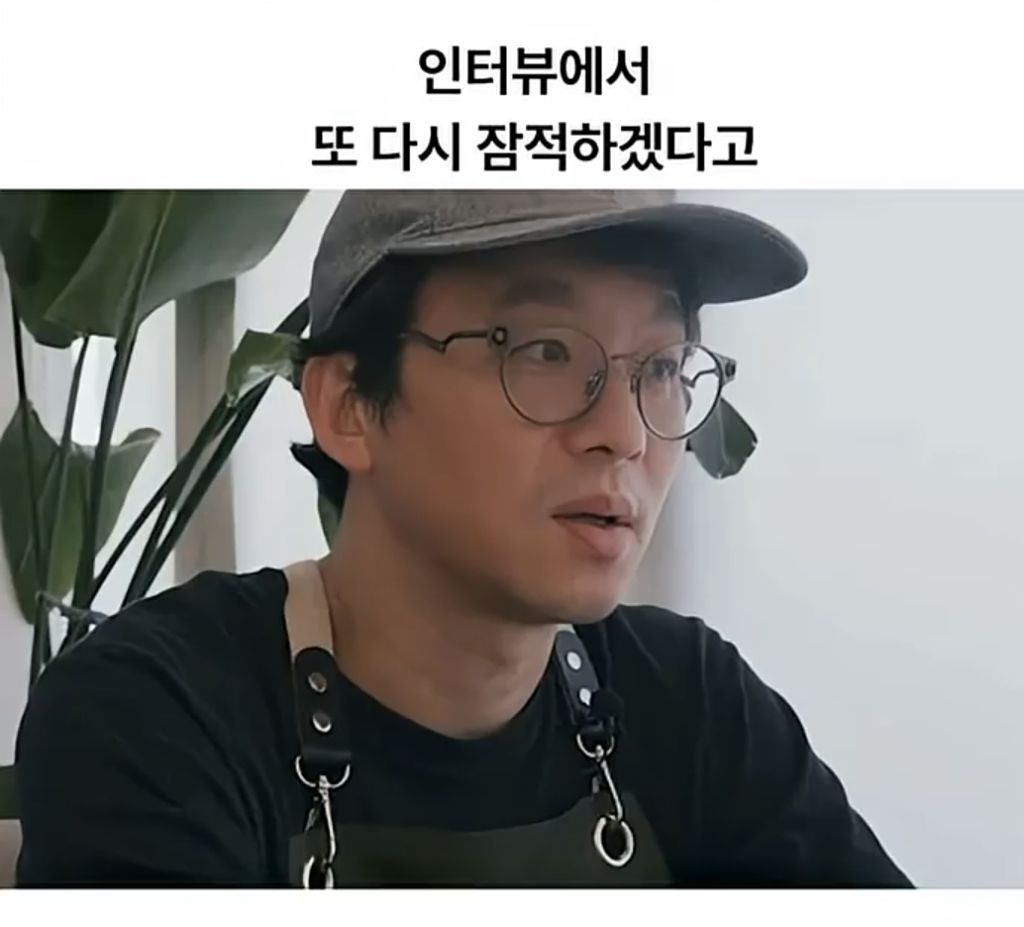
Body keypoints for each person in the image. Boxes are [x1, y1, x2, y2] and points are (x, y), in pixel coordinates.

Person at [14, 190, 912, 888]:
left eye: (663, 368)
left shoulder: (688, 702)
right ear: (349, 405)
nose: (625, 434)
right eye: (547, 352)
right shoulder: (158, 717)